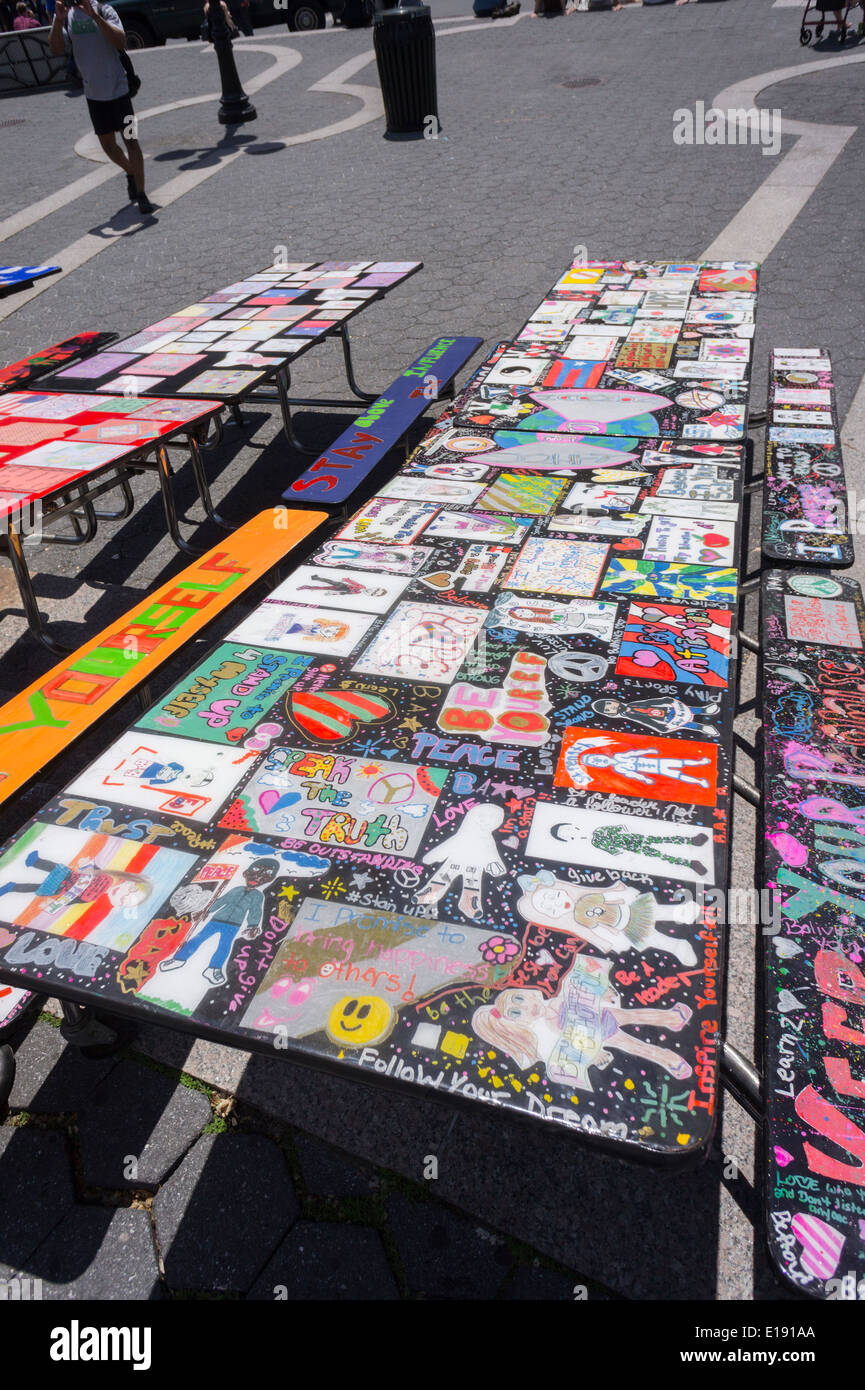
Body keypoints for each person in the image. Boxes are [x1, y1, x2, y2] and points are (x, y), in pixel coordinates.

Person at [49, 0, 154, 216]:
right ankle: (131, 172)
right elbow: (56, 49)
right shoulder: (66, 15)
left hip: (119, 90)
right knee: (107, 146)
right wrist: (58, 20)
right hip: (94, 95)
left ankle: (141, 194)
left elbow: (121, 41)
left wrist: (95, 16)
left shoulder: (104, 9)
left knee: (131, 141)